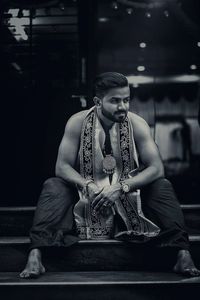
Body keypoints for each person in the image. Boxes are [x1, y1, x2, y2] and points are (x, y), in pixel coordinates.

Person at [20, 72, 200, 279]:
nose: (123, 106)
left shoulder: (137, 123)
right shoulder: (77, 122)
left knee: (162, 184)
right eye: (115, 101)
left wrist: (121, 187)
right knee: (53, 185)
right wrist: (86, 184)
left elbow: (156, 168)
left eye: (126, 100)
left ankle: (182, 254)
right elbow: (62, 167)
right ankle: (36, 254)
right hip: (86, 196)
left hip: (129, 194)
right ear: (98, 101)